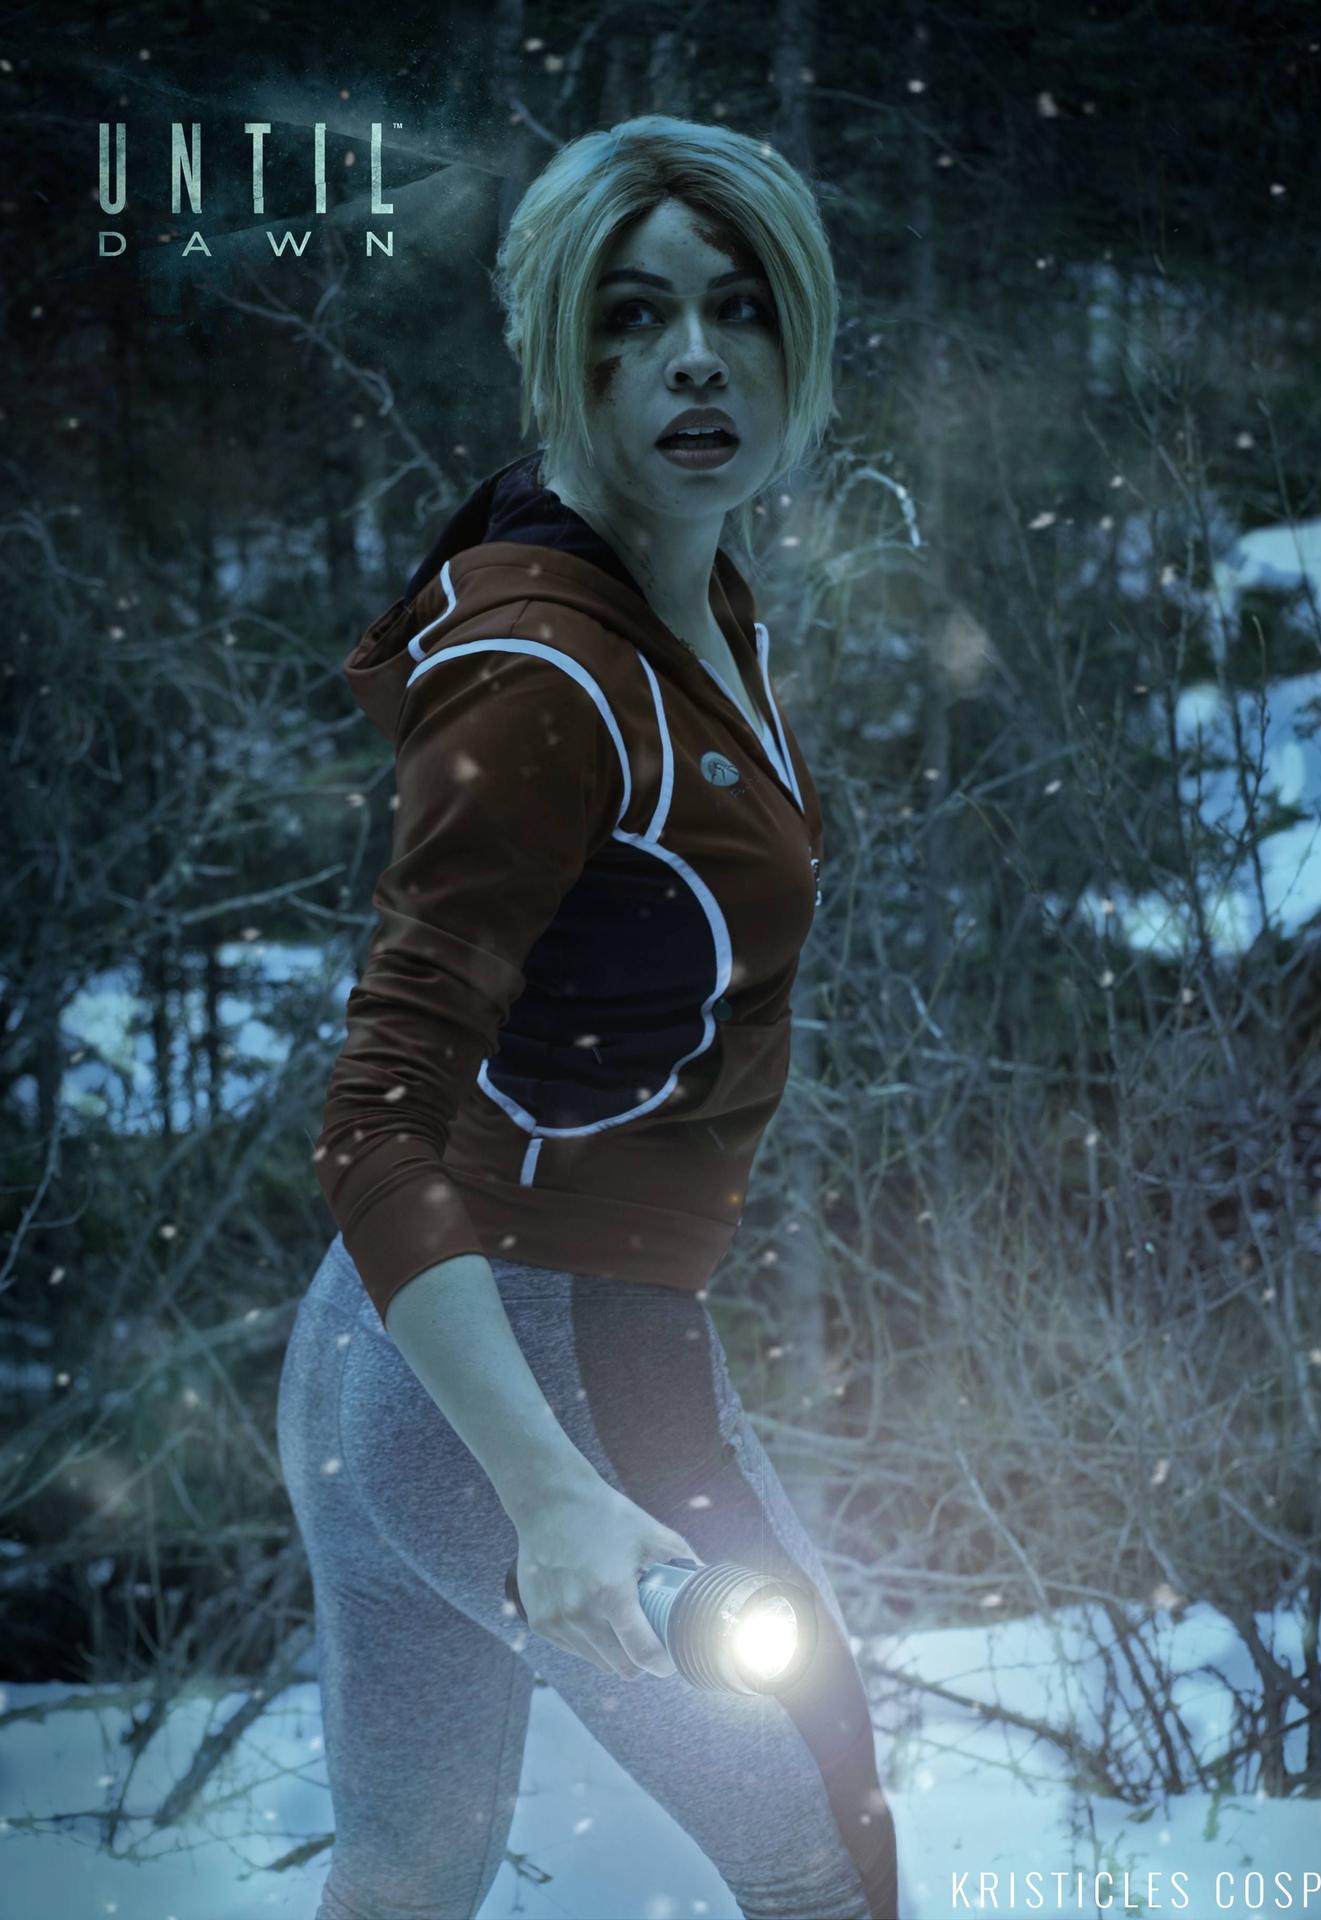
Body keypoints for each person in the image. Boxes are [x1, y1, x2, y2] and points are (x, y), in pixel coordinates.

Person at [277, 114, 902, 1920]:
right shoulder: (547, 673)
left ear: (803, 333)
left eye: (740, 306)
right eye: (632, 316)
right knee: (826, 1855)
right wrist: (548, 1488)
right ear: (560, 353)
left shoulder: (682, 589)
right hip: (524, 1376)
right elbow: (376, 1115)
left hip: (386, 1364)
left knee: (407, 1873)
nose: (696, 356)